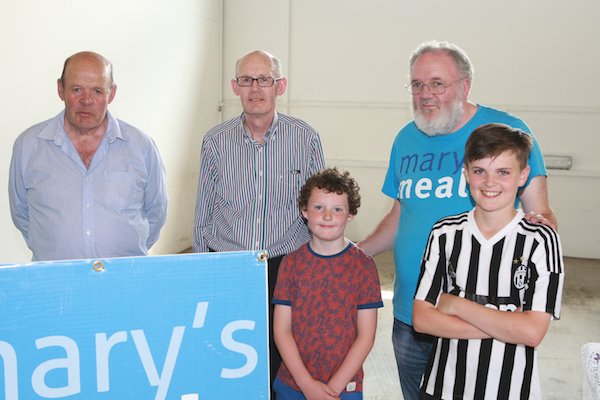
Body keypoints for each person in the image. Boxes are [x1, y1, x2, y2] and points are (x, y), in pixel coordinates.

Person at [356, 41, 557, 400]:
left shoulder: (506, 132)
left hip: (481, 314)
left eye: (436, 83)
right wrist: (357, 254)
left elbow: (540, 214)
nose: (425, 95)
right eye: (416, 85)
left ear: (464, 86)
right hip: (411, 314)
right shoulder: (406, 139)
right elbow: (401, 214)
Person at [192, 50, 326, 394]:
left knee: (284, 353)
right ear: (235, 87)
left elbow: (320, 208)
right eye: (247, 80)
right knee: (231, 351)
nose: (255, 88)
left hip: (286, 264)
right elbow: (203, 213)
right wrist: (202, 269)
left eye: (263, 79)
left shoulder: (305, 138)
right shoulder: (215, 141)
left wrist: (319, 266)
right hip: (229, 265)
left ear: (279, 86)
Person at [412, 123, 564, 399]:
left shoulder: (541, 239)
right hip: (442, 388)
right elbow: (422, 320)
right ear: (466, 174)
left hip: (510, 390)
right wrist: (507, 326)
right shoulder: (444, 233)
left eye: (503, 172)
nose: (490, 183)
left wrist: (455, 304)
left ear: (523, 176)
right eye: (480, 171)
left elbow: (531, 332)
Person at [9, 51, 168, 261]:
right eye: (76, 89)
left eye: (97, 91)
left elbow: (156, 214)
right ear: (60, 89)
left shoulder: (141, 147)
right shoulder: (28, 146)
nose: (86, 100)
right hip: (55, 281)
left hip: (122, 280)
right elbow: (21, 214)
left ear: (111, 94)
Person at [272, 167, 383, 400]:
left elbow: (366, 336)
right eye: (318, 207)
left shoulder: (363, 266)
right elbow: (282, 330)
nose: (327, 216)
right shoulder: (290, 264)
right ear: (304, 210)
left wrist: (332, 390)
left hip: (344, 389)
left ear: (350, 214)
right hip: (293, 386)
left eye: (337, 209)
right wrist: (307, 385)